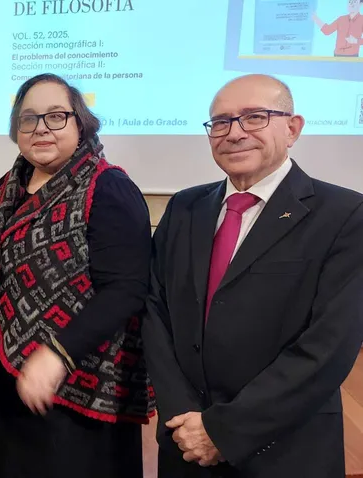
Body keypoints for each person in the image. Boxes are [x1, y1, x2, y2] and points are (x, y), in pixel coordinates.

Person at [143, 73, 363, 477]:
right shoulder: (185, 207)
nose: (234, 133)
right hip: (184, 442)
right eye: (221, 122)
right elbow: (155, 311)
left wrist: (223, 431)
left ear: (292, 128)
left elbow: (328, 347)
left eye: (255, 117)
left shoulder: (346, 215)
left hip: (283, 449)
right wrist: (182, 414)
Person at [0, 73, 155, 478]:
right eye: (29, 118)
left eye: (56, 116)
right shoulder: (7, 187)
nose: (41, 128)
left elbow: (126, 289)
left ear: (81, 124)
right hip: (13, 385)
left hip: (79, 391)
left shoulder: (108, 187)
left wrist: (57, 354)